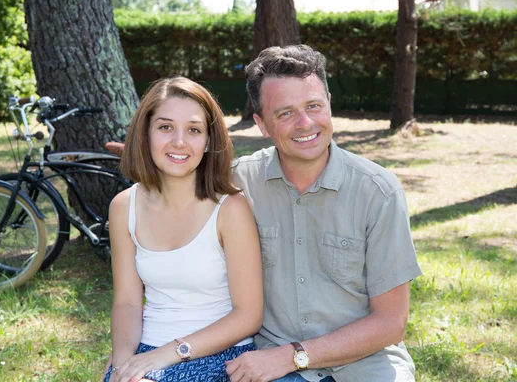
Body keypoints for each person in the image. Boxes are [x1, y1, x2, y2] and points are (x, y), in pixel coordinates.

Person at [106, 45, 422, 382]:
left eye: (314, 106)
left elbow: (391, 322)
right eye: (285, 113)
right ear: (261, 124)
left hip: (362, 365)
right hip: (270, 361)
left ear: (329, 103)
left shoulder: (378, 192)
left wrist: (295, 355)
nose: (305, 123)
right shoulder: (241, 181)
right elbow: (181, 177)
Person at [103, 76, 263, 382]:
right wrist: (122, 367)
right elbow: (126, 301)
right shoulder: (124, 206)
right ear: (145, 134)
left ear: (208, 142)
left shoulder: (230, 209)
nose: (179, 141)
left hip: (216, 353)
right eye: (165, 127)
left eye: (193, 130)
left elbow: (248, 316)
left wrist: (166, 354)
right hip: (146, 349)